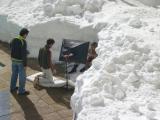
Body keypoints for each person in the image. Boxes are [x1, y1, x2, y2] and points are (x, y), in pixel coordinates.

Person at [10, 28, 30, 95]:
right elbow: (24, 55)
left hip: (13, 60)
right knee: (22, 77)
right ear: (24, 34)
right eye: (26, 34)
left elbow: (11, 46)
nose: (26, 36)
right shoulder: (23, 41)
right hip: (20, 62)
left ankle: (12, 87)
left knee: (14, 74)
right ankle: (21, 91)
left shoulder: (14, 39)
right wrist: (25, 65)